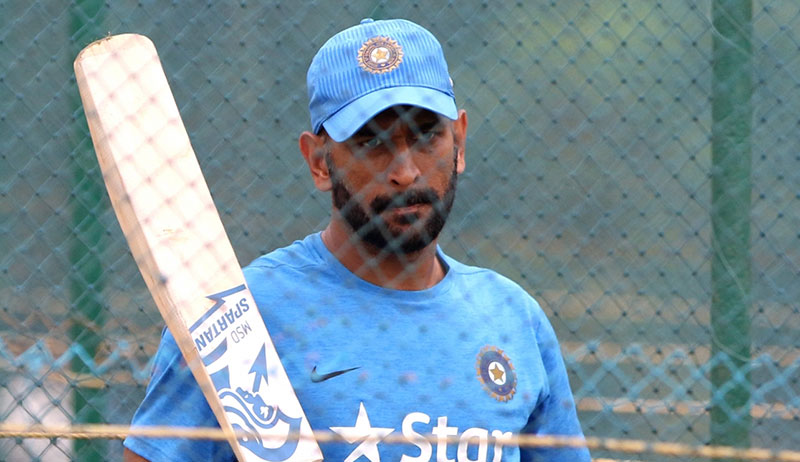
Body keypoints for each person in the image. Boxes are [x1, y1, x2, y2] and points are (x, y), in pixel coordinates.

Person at [123, 18, 590, 462]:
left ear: (460, 142)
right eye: (372, 142)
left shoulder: (513, 319)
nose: (405, 172)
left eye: (427, 135)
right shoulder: (239, 319)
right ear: (319, 162)